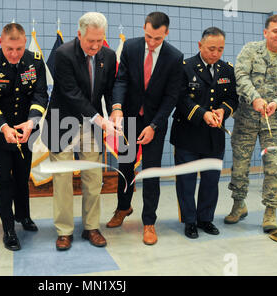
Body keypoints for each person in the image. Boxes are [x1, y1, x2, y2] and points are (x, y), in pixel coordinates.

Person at [42, 12, 117, 251]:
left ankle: (91, 227)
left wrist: (115, 109)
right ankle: (64, 231)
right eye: (90, 41)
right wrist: (100, 119)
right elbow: (71, 92)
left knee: (93, 179)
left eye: (99, 40)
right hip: (61, 120)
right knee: (62, 179)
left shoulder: (109, 55)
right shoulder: (63, 54)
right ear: (79, 34)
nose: (95, 46)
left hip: (91, 126)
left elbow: (109, 89)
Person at [108, 12, 184, 245]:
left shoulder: (174, 57)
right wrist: (118, 107)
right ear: (144, 28)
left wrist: (153, 125)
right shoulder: (130, 48)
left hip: (155, 123)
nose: (152, 43)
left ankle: (149, 221)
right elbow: (120, 80)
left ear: (166, 33)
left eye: (157, 39)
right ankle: (123, 208)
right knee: (125, 166)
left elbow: (172, 97)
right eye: (149, 36)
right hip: (129, 118)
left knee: (151, 171)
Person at [226, 14, 277, 232]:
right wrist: (255, 98)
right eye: (275, 31)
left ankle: (270, 210)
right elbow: (240, 77)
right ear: (265, 32)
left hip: (275, 121)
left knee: (274, 167)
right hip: (246, 119)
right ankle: (238, 204)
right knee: (240, 165)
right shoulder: (251, 51)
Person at [0, 23, 48, 251]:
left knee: (22, 175)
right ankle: (8, 229)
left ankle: (23, 216)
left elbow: (40, 94)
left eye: (19, 48)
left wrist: (31, 122)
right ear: (1, 42)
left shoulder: (35, 61)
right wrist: (4, 127)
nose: (15, 54)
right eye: (10, 49)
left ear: (25, 42)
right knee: (3, 180)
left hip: (26, 130)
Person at [170, 27, 238, 239]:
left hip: (213, 135)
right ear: (200, 46)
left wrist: (222, 111)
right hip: (187, 135)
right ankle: (190, 221)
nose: (215, 53)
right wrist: (202, 114)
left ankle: (205, 219)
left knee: (210, 180)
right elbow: (180, 99)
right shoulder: (185, 67)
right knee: (186, 182)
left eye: (220, 49)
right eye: (211, 49)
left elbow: (233, 99)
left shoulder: (227, 70)